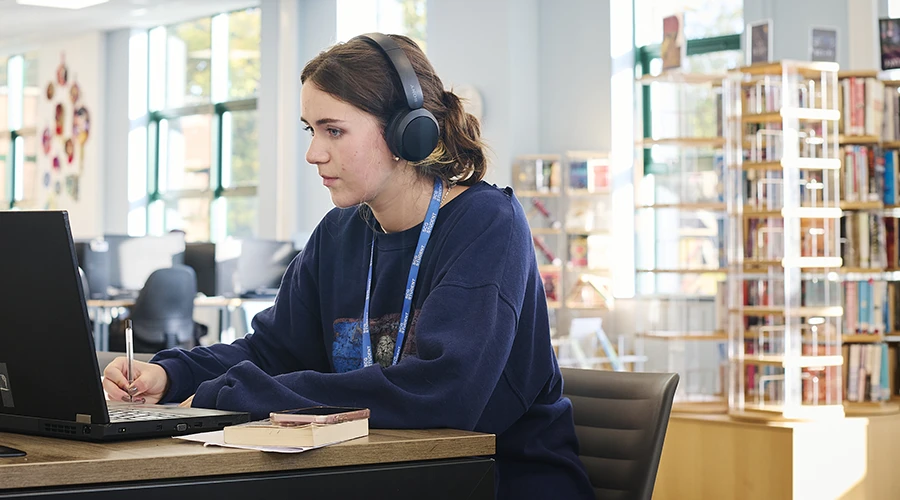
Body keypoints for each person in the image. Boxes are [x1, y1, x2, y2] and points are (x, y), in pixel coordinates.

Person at [102, 32, 593, 499]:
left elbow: (445, 392)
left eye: (334, 130)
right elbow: (273, 351)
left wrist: (244, 396)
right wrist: (171, 375)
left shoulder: (487, 224)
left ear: (408, 133)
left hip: (498, 480)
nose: (315, 153)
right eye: (311, 131)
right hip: (379, 476)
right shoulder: (338, 235)